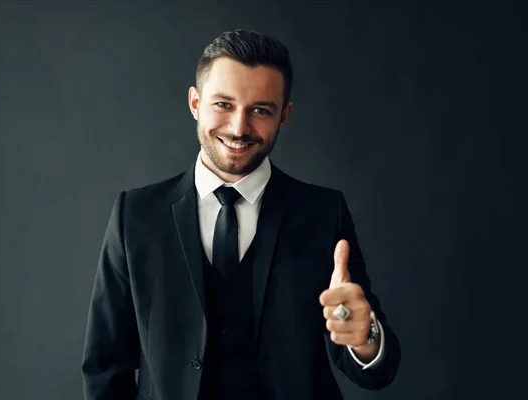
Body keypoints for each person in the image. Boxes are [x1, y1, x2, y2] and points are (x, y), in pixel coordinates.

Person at [81, 29, 400, 400]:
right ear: (195, 103)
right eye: (223, 104)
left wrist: (365, 336)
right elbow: (105, 368)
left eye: (261, 110)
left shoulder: (323, 213)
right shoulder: (135, 215)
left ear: (284, 115)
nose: (238, 128)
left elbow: (377, 369)